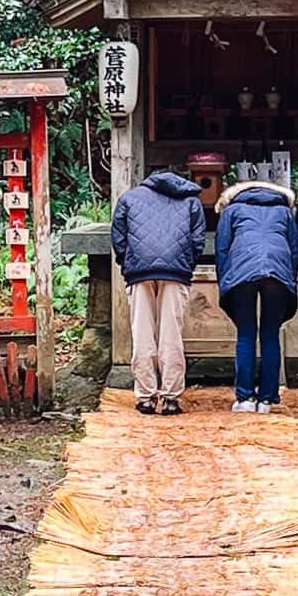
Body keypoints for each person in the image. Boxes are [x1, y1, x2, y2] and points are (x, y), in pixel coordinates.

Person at [110, 169, 205, 415]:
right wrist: (185, 266)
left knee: (142, 332)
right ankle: (171, 397)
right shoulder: (191, 200)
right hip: (176, 272)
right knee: (171, 333)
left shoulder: (130, 198)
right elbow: (198, 242)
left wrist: (129, 264)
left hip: (139, 272)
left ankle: (146, 396)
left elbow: (118, 239)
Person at [214, 178, 298, 413]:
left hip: (242, 273)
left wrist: (224, 281)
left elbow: (221, 249)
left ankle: (244, 398)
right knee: (270, 333)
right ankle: (267, 400)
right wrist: (288, 280)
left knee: (246, 334)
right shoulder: (284, 212)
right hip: (277, 274)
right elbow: (294, 252)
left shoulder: (231, 210)